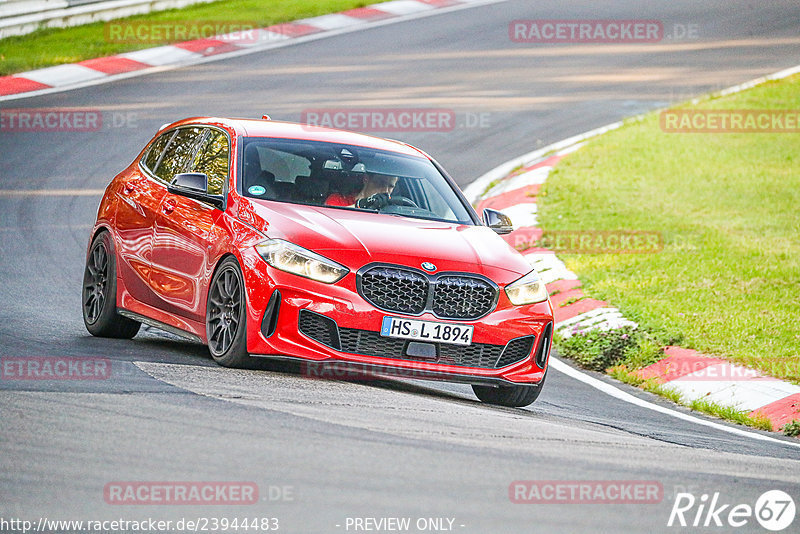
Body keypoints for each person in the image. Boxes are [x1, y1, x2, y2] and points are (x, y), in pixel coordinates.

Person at [326, 173, 398, 207]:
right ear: (366, 179)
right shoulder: (339, 200)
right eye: (381, 184)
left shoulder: (391, 208)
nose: (385, 190)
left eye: (391, 186)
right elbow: (329, 220)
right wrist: (360, 205)